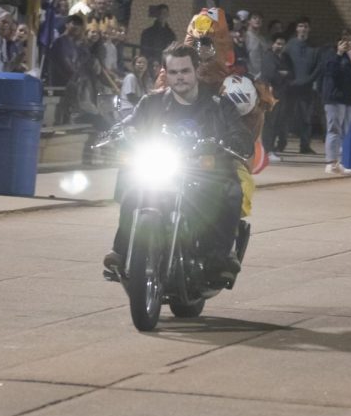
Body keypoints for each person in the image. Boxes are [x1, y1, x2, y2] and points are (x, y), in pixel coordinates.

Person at [103, 43, 253, 285]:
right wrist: (120, 132)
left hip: (204, 171)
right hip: (165, 165)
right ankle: (121, 250)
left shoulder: (217, 105)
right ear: (166, 73)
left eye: (185, 71)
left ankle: (220, 256)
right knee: (133, 185)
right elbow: (129, 122)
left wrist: (232, 141)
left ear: (196, 71)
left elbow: (240, 134)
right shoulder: (151, 103)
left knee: (229, 192)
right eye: (173, 72)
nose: (179, 77)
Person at [321, 28, 351, 174]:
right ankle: (330, 162)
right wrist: (339, 54)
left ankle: (337, 161)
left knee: (344, 130)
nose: (347, 43)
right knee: (334, 129)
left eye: (350, 40)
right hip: (334, 97)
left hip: (349, 98)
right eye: (344, 40)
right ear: (338, 41)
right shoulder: (331, 54)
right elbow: (330, 72)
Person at [279, 17, 319, 154]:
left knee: (306, 118)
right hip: (291, 87)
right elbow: (283, 63)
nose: (303, 29)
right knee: (286, 116)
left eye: (306, 26)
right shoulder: (289, 46)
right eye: (301, 26)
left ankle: (305, 145)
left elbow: (316, 67)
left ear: (309, 29)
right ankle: (281, 143)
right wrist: (288, 80)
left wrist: (311, 80)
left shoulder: (314, 47)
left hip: (307, 88)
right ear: (297, 29)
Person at [244, 11, 268, 78]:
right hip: (250, 74)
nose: (257, 20)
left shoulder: (263, 38)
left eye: (260, 18)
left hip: (262, 75)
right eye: (254, 18)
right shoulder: (245, 36)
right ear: (249, 21)